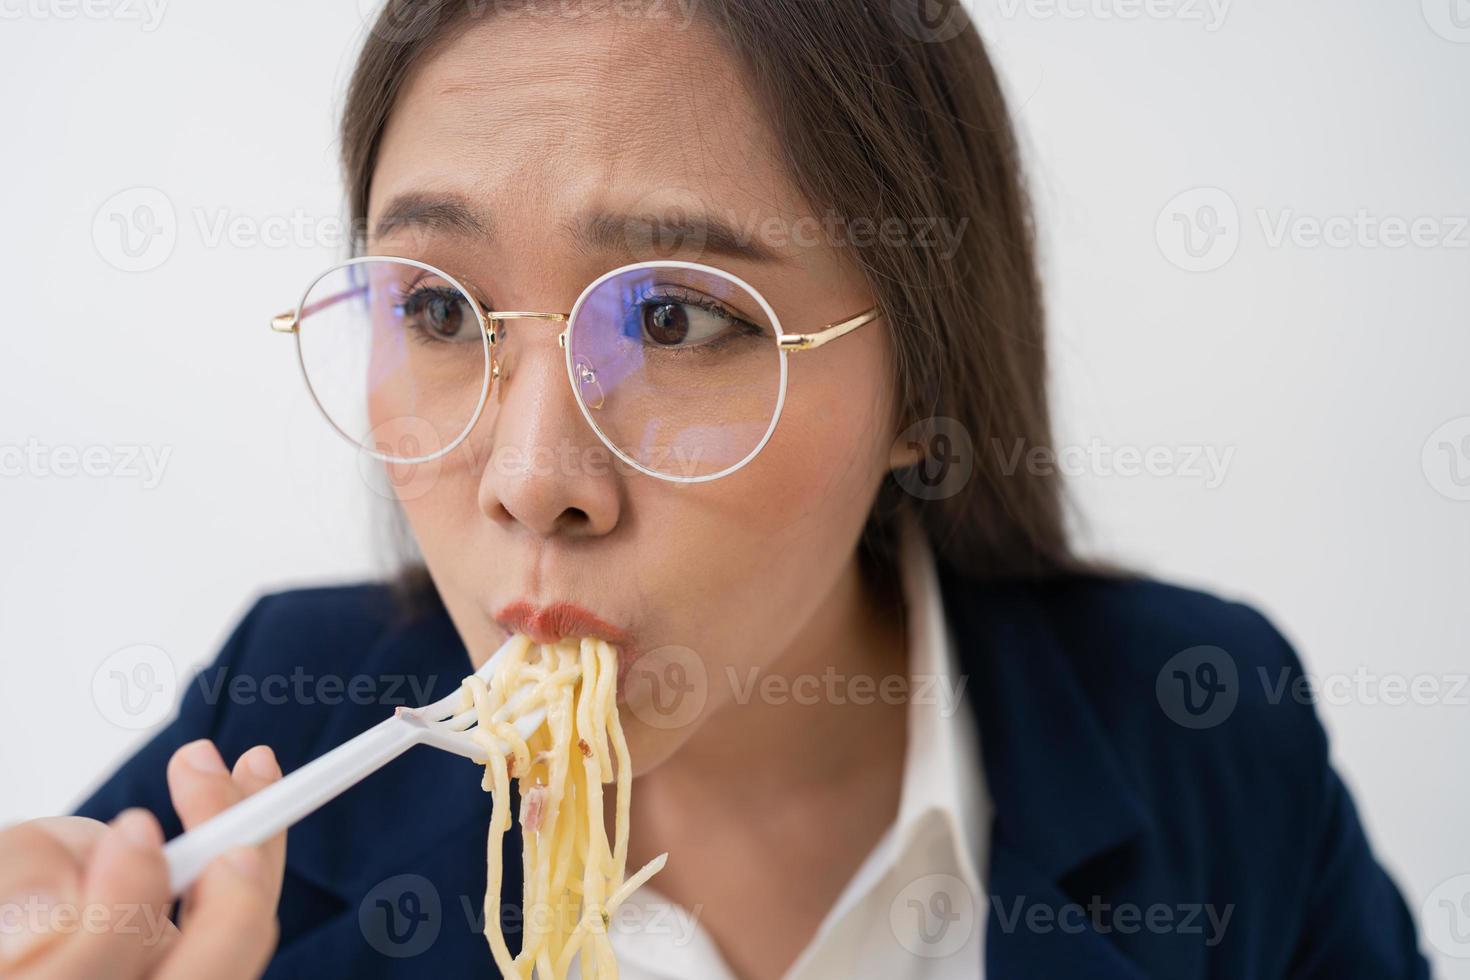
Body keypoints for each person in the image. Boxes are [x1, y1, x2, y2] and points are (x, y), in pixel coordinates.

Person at [1, 1, 1428, 976]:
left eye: (675, 320)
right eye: (439, 312)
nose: (532, 480)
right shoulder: (278, 712)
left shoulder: (1197, 719)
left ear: (920, 389)